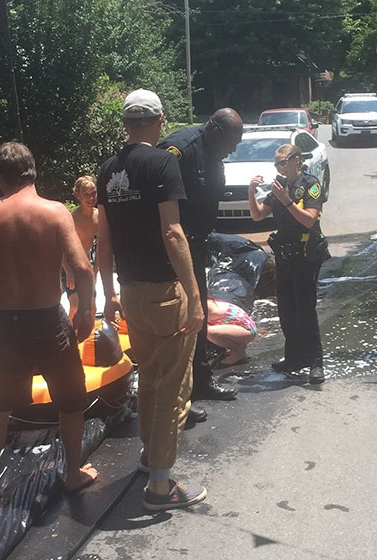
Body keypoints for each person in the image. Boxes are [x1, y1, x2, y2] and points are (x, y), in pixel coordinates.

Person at [0, 141, 97, 508]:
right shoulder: (54, 213)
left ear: (1, 176)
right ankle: (71, 474)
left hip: (7, 321)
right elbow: (82, 267)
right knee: (70, 401)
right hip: (48, 319)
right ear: (33, 172)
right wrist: (86, 311)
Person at [97, 89, 207, 511]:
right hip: (164, 291)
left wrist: (109, 293)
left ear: (126, 123)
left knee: (148, 376)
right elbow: (173, 233)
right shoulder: (164, 162)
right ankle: (160, 487)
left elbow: (103, 241)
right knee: (172, 385)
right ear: (160, 120)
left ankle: (148, 456)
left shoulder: (108, 170)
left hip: (130, 291)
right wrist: (194, 295)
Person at [158, 108, 244, 414]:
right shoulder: (179, 151)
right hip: (174, 249)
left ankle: (202, 380)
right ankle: (181, 395)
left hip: (197, 246)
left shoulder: (213, 149)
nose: (233, 150)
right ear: (216, 130)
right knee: (183, 319)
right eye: (232, 142)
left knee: (200, 317)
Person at [248, 144, 328, 384]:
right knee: (286, 310)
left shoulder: (311, 184)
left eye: (282, 162)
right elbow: (257, 215)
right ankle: (294, 357)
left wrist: (287, 202)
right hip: (284, 254)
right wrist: (250, 191)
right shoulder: (280, 186)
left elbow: (309, 220)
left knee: (305, 310)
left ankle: (315, 362)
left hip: (306, 255)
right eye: (276, 164)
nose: (278, 168)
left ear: (295, 160)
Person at [62, 175, 98, 319]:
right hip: (69, 263)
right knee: (75, 304)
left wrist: (96, 269)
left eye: (93, 193)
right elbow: (61, 248)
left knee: (92, 306)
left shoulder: (99, 217)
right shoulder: (72, 218)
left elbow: (103, 246)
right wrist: (68, 270)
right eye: (86, 195)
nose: (91, 198)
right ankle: (69, 336)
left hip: (86, 263)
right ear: (78, 196)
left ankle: (89, 338)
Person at [206, 298, 257, 367]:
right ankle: (238, 345)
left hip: (246, 330)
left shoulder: (206, 307)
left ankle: (238, 351)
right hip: (238, 328)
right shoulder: (207, 302)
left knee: (209, 332)